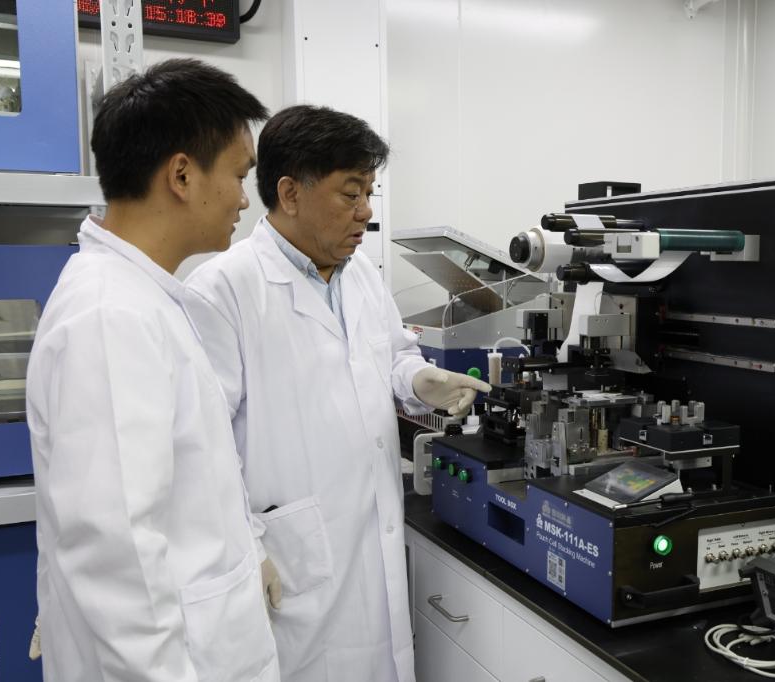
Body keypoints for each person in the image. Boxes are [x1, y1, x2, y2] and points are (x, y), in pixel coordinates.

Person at [182, 104, 491, 681]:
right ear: (290, 193)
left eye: (369, 193)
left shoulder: (361, 274)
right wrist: (247, 548)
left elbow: (391, 354)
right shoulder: (221, 292)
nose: (366, 211)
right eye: (351, 194)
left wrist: (418, 380)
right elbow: (199, 449)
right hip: (289, 562)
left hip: (369, 538)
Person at [26, 59, 280, 682]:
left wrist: (246, 547)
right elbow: (117, 565)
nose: (244, 199)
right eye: (239, 175)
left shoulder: (147, 297)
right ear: (182, 175)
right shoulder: (111, 316)